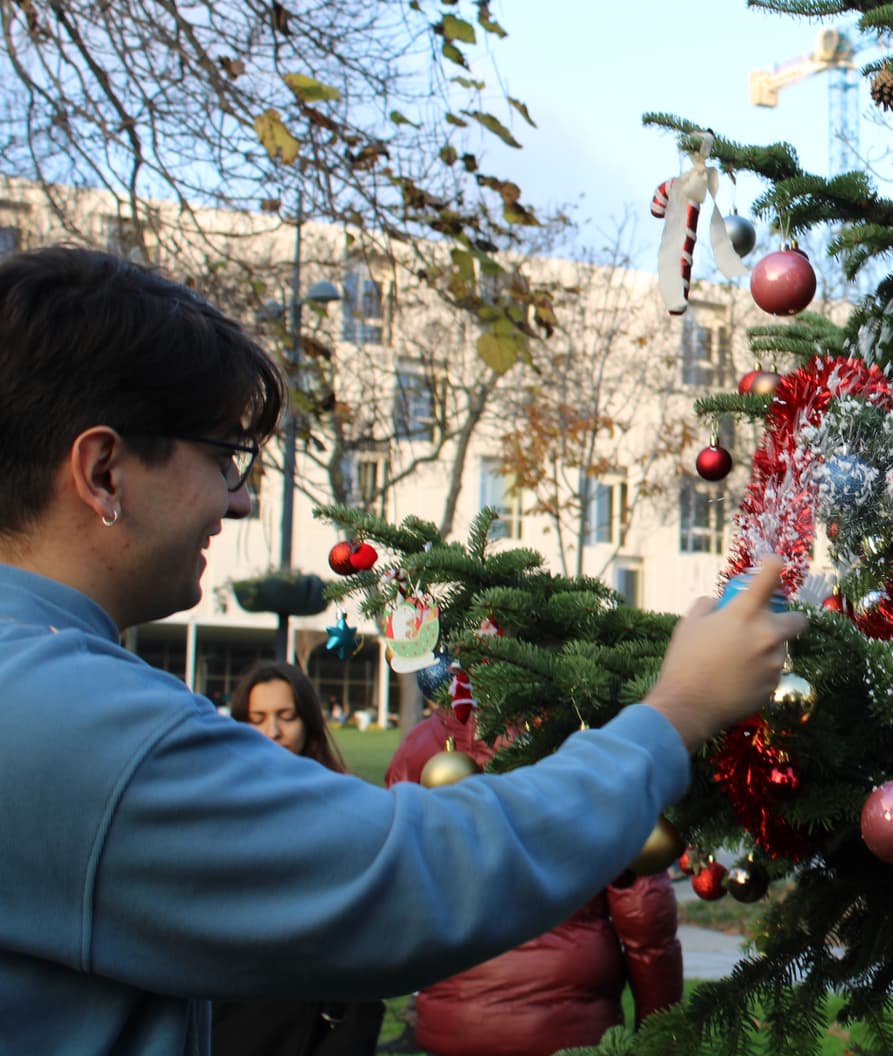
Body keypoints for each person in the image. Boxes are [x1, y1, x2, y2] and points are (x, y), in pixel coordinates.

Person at [0, 246, 804, 1056]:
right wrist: (676, 713)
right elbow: (412, 873)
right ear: (103, 471)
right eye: (222, 459)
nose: (239, 500)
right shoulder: (74, 723)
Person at [384, 692, 683, 1056]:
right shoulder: (588, 741)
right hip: (569, 1015)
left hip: (457, 1012)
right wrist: (659, 1031)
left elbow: (402, 881)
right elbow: (644, 913)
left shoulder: (423, 747)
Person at [211, 661, 384, 1055]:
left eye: (285, 717)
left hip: (321, 1017)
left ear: (307, 720)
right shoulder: (219, 802)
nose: (273, 732)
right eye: (258, 719)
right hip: (238, 1013)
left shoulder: (345, 802)